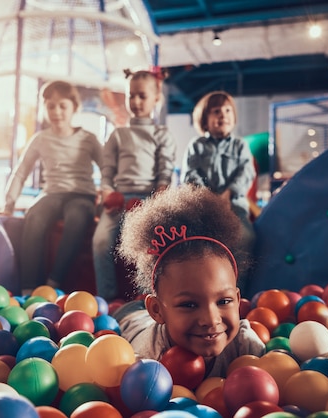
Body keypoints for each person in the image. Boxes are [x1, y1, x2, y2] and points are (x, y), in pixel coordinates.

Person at [115, 183, 265, 378]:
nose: (211, 320)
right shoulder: (147, 362)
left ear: (238, 300)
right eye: (189, 305)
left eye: (224, 301)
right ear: (157, 310)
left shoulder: (246, 346)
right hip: (133, 318)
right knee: (129, 312)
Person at [1, 80, 103, 295]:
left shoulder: (88, 139)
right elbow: (21, 171)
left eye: (62, 106)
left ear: (75, 107)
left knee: (77, 216)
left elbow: (108, 169)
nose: (56, 112)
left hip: (82, 195)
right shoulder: (41, 139)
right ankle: (29, 287)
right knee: (35, 216)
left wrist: (107, 198)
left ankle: (53, 284)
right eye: (50, 106)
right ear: (45, 109)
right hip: (53, 193)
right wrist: (9, 205)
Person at [92, 68, 176, 302]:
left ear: (156, 98)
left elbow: (165, 174)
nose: (136, 101)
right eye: (131, 96)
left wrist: (154, 201)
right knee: (100, 241)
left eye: (142, 96)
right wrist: (108, 192)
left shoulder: (162, 135)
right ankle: (107, 299)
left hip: (148, 199)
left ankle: (146, 297)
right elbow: (107, 172)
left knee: (149, 243)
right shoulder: (118, 135)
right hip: (119, 199)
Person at [181, 90, 257, 254]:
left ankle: (238, 279)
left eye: (227, 110)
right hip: (203, 207)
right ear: (205, 120)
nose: (223, 115)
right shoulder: (196, 145)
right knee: (196, 243)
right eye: (216, 112)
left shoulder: (240, 145)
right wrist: (209, 198)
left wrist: (228, 194)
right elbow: (190, 174)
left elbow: (246, 172)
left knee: (246, 238)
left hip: (234, 208)